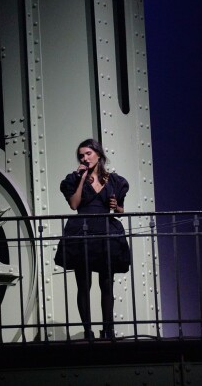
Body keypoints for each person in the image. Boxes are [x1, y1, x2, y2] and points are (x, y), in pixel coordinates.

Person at [54, 138, 131, 340]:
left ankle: (108, 330)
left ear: (99, 155)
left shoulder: (114, 180)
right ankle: (88, 331)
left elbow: (120, 210)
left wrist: (117, 206)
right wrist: (82, 177)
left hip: (106, 233)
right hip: (83, 232)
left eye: (88, 153)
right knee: (84, 285)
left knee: (106, 284)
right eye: (81, 155)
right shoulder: (73, 179)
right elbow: (74, 204)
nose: (84, 158)